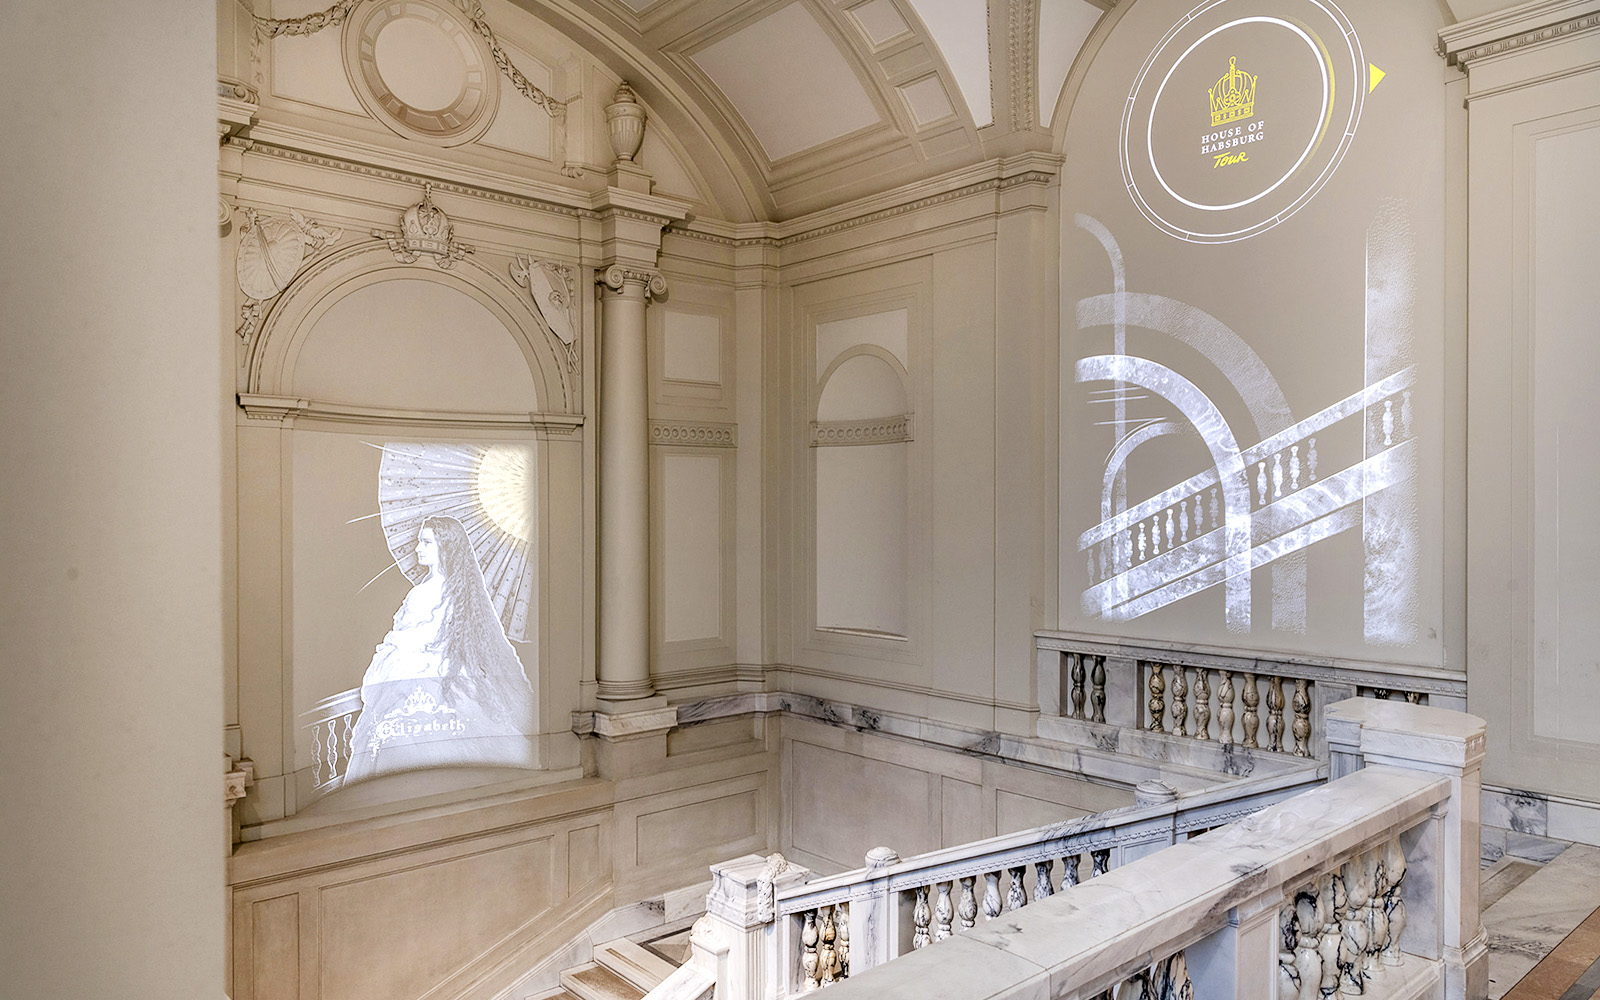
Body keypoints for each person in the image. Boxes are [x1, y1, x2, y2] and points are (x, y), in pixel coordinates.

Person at [342, 514, 536, 785]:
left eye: (426, 542)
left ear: (445, 546)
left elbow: (408, 638)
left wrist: (394, 645)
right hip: (449, 673)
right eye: (419, 541)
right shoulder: (460, 592)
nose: (418, 548)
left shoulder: (422, 594)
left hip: (416, 673)